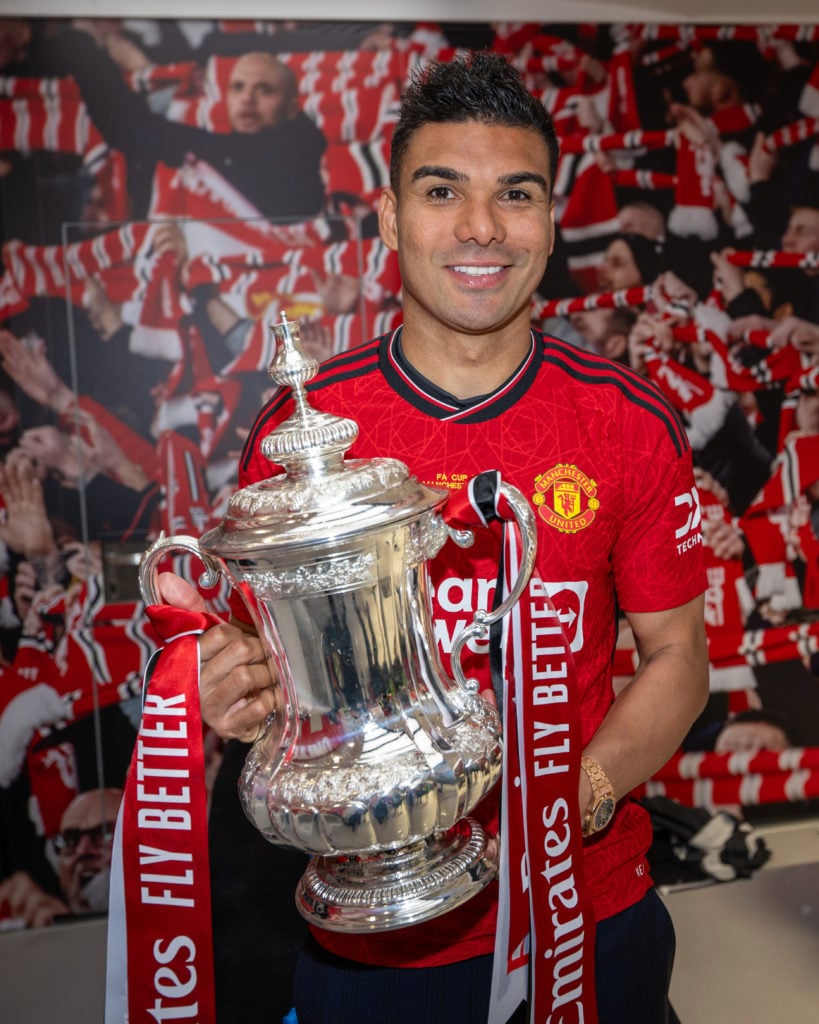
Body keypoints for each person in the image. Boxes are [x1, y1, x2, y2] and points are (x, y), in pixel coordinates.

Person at [156, 52, 708, 1024]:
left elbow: (677, 658)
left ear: (550, 218)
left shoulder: (629, 421)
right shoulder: (307, 437)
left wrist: (581, 787)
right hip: (372, 938)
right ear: (389, 217)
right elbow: (255, 656)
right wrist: (224, 683)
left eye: (516, 194)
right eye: (442, 189)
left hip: (589, 913)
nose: (481, 228)